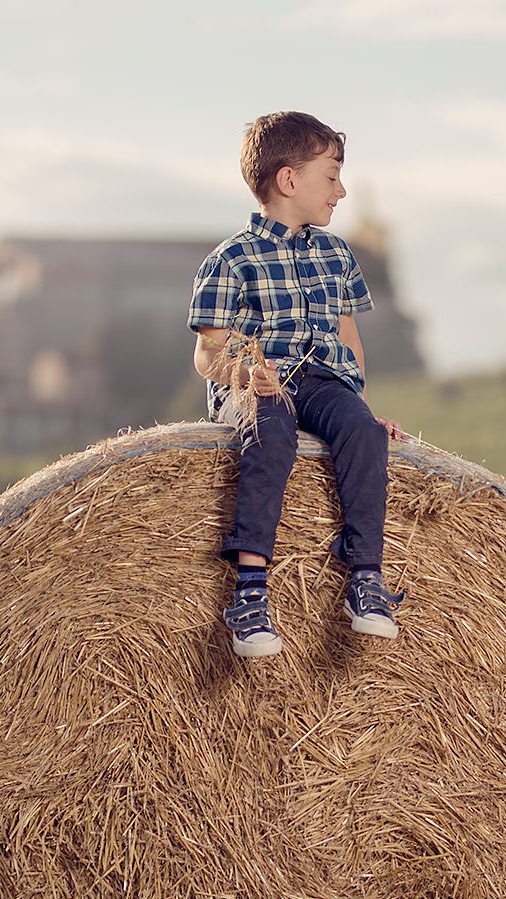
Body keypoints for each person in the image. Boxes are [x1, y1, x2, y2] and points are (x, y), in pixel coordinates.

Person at [189, 110, 408, 659]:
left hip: (324, 382)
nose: (341, 190)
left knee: (362, 434)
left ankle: (365, 579)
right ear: (290, 181)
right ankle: (249, 593)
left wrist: (359, 407)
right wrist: (246, 375)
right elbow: (207, 356)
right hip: (258, 388)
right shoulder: (231, 260)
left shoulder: (336, 255)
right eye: (331, 176)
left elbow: (348, 337)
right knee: (272, 436)